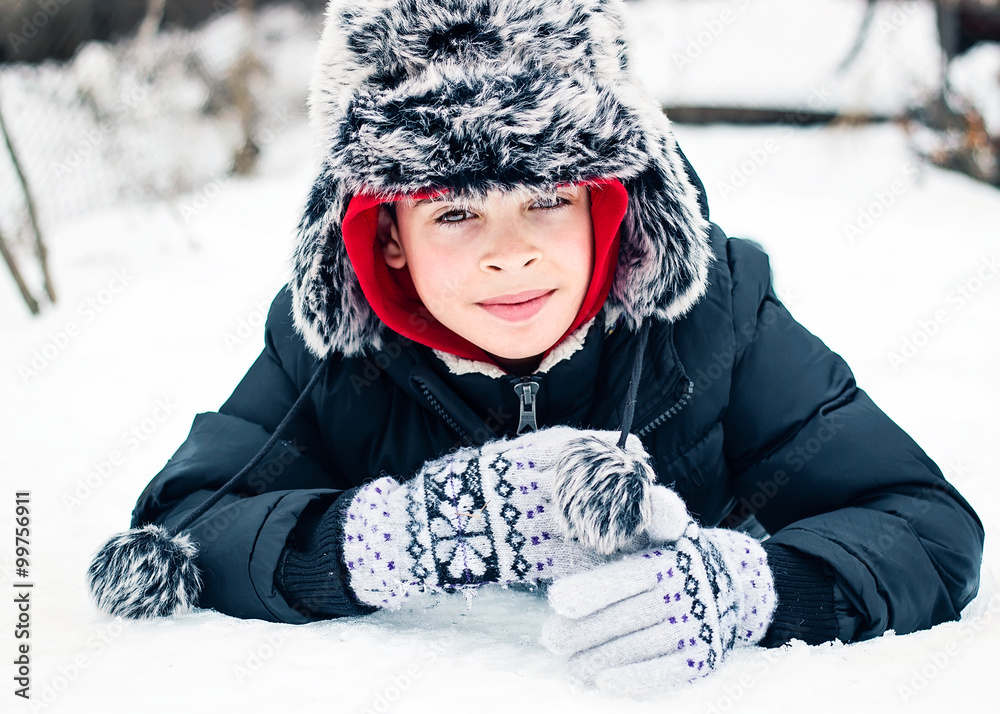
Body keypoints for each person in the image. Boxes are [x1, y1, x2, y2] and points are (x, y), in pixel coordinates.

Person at [88, 0, 983, 695]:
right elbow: (188, 524)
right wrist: (403, 538)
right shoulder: (330, 353)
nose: (508, 249)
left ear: (608, 200)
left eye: (547, 198)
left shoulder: (715, 319)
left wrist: (756, 590)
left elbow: (924, 526)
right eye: (454, 210)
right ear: (383, 235)